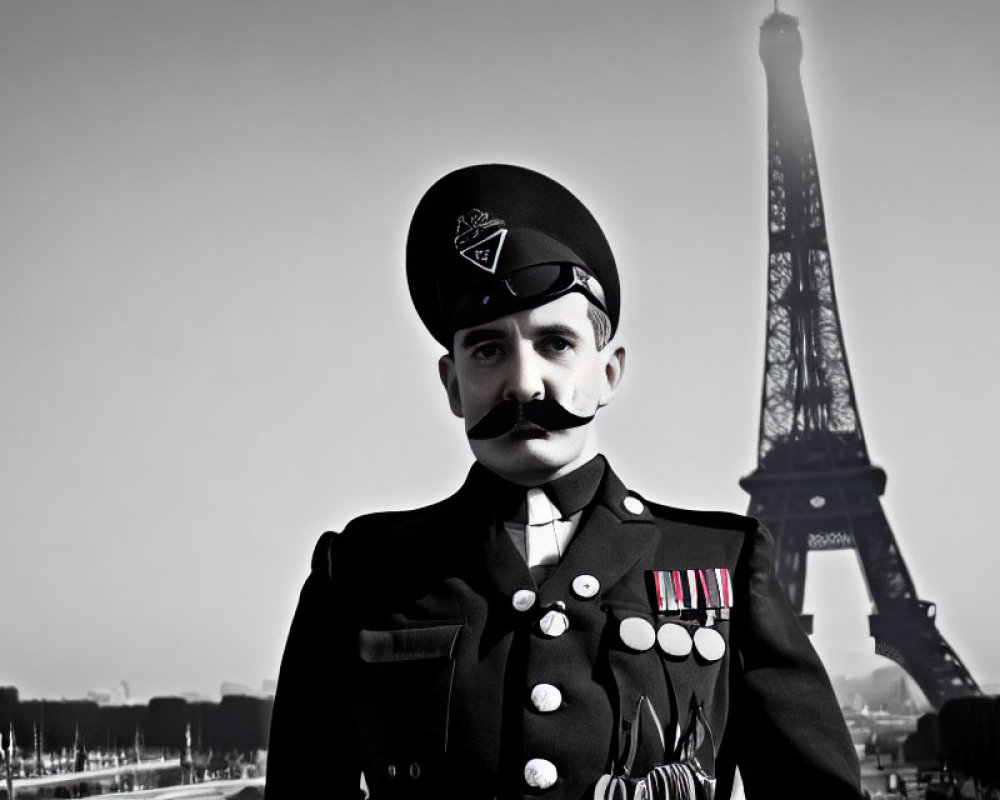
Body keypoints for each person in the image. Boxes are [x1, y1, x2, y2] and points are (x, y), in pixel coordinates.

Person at [265, 164, 865, 799]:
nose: (523, 384)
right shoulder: (359, 575)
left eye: (555, 343)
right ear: (451, 384)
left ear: (609, 372)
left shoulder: (726, 563)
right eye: (488, 350)